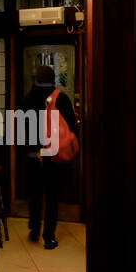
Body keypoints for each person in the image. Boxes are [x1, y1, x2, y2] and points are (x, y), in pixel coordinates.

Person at [22, 64, 78, 248]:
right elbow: (71, 127)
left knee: (35, 193)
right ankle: (49, 236)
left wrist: (32, 149)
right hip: (53, 153)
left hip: (33, 154)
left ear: (37, 78)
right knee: (52, 195)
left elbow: (23, 127)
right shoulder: (61, 98)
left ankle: (34, 229)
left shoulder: (28, 98)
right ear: (53, 79)